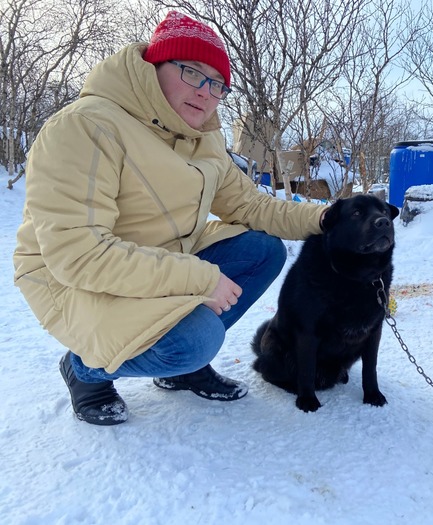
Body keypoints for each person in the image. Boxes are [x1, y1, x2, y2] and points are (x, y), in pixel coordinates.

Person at [13, 11, 327, 426]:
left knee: (262, 250)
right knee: (196, 340)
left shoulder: (204, 137)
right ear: (153, 67)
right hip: (74, 280)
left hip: (158, 260)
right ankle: (84, 369)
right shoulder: (85, 126)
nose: (205, 92)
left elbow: (252, 207)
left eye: (217, 85)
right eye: (192, 73)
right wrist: (199, 278)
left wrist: (334, 218)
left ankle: (180, 371)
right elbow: (79, 256)